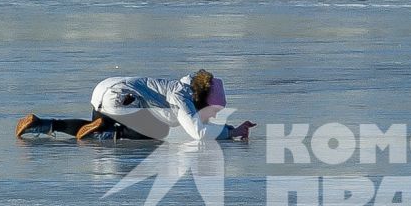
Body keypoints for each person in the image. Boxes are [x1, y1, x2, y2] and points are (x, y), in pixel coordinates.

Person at [16, 70, 255, 143]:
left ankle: (42, 124)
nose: (214, 112)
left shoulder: (176, 88)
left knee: (90, 126)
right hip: (120, 99)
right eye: (213, 108)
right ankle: (111, 132)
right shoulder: (181, 98)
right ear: (201, 98)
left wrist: (231, 128)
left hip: (103, 89)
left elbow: (197, 121)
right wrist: (231, 132)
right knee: (162, 131)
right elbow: (198, 132)